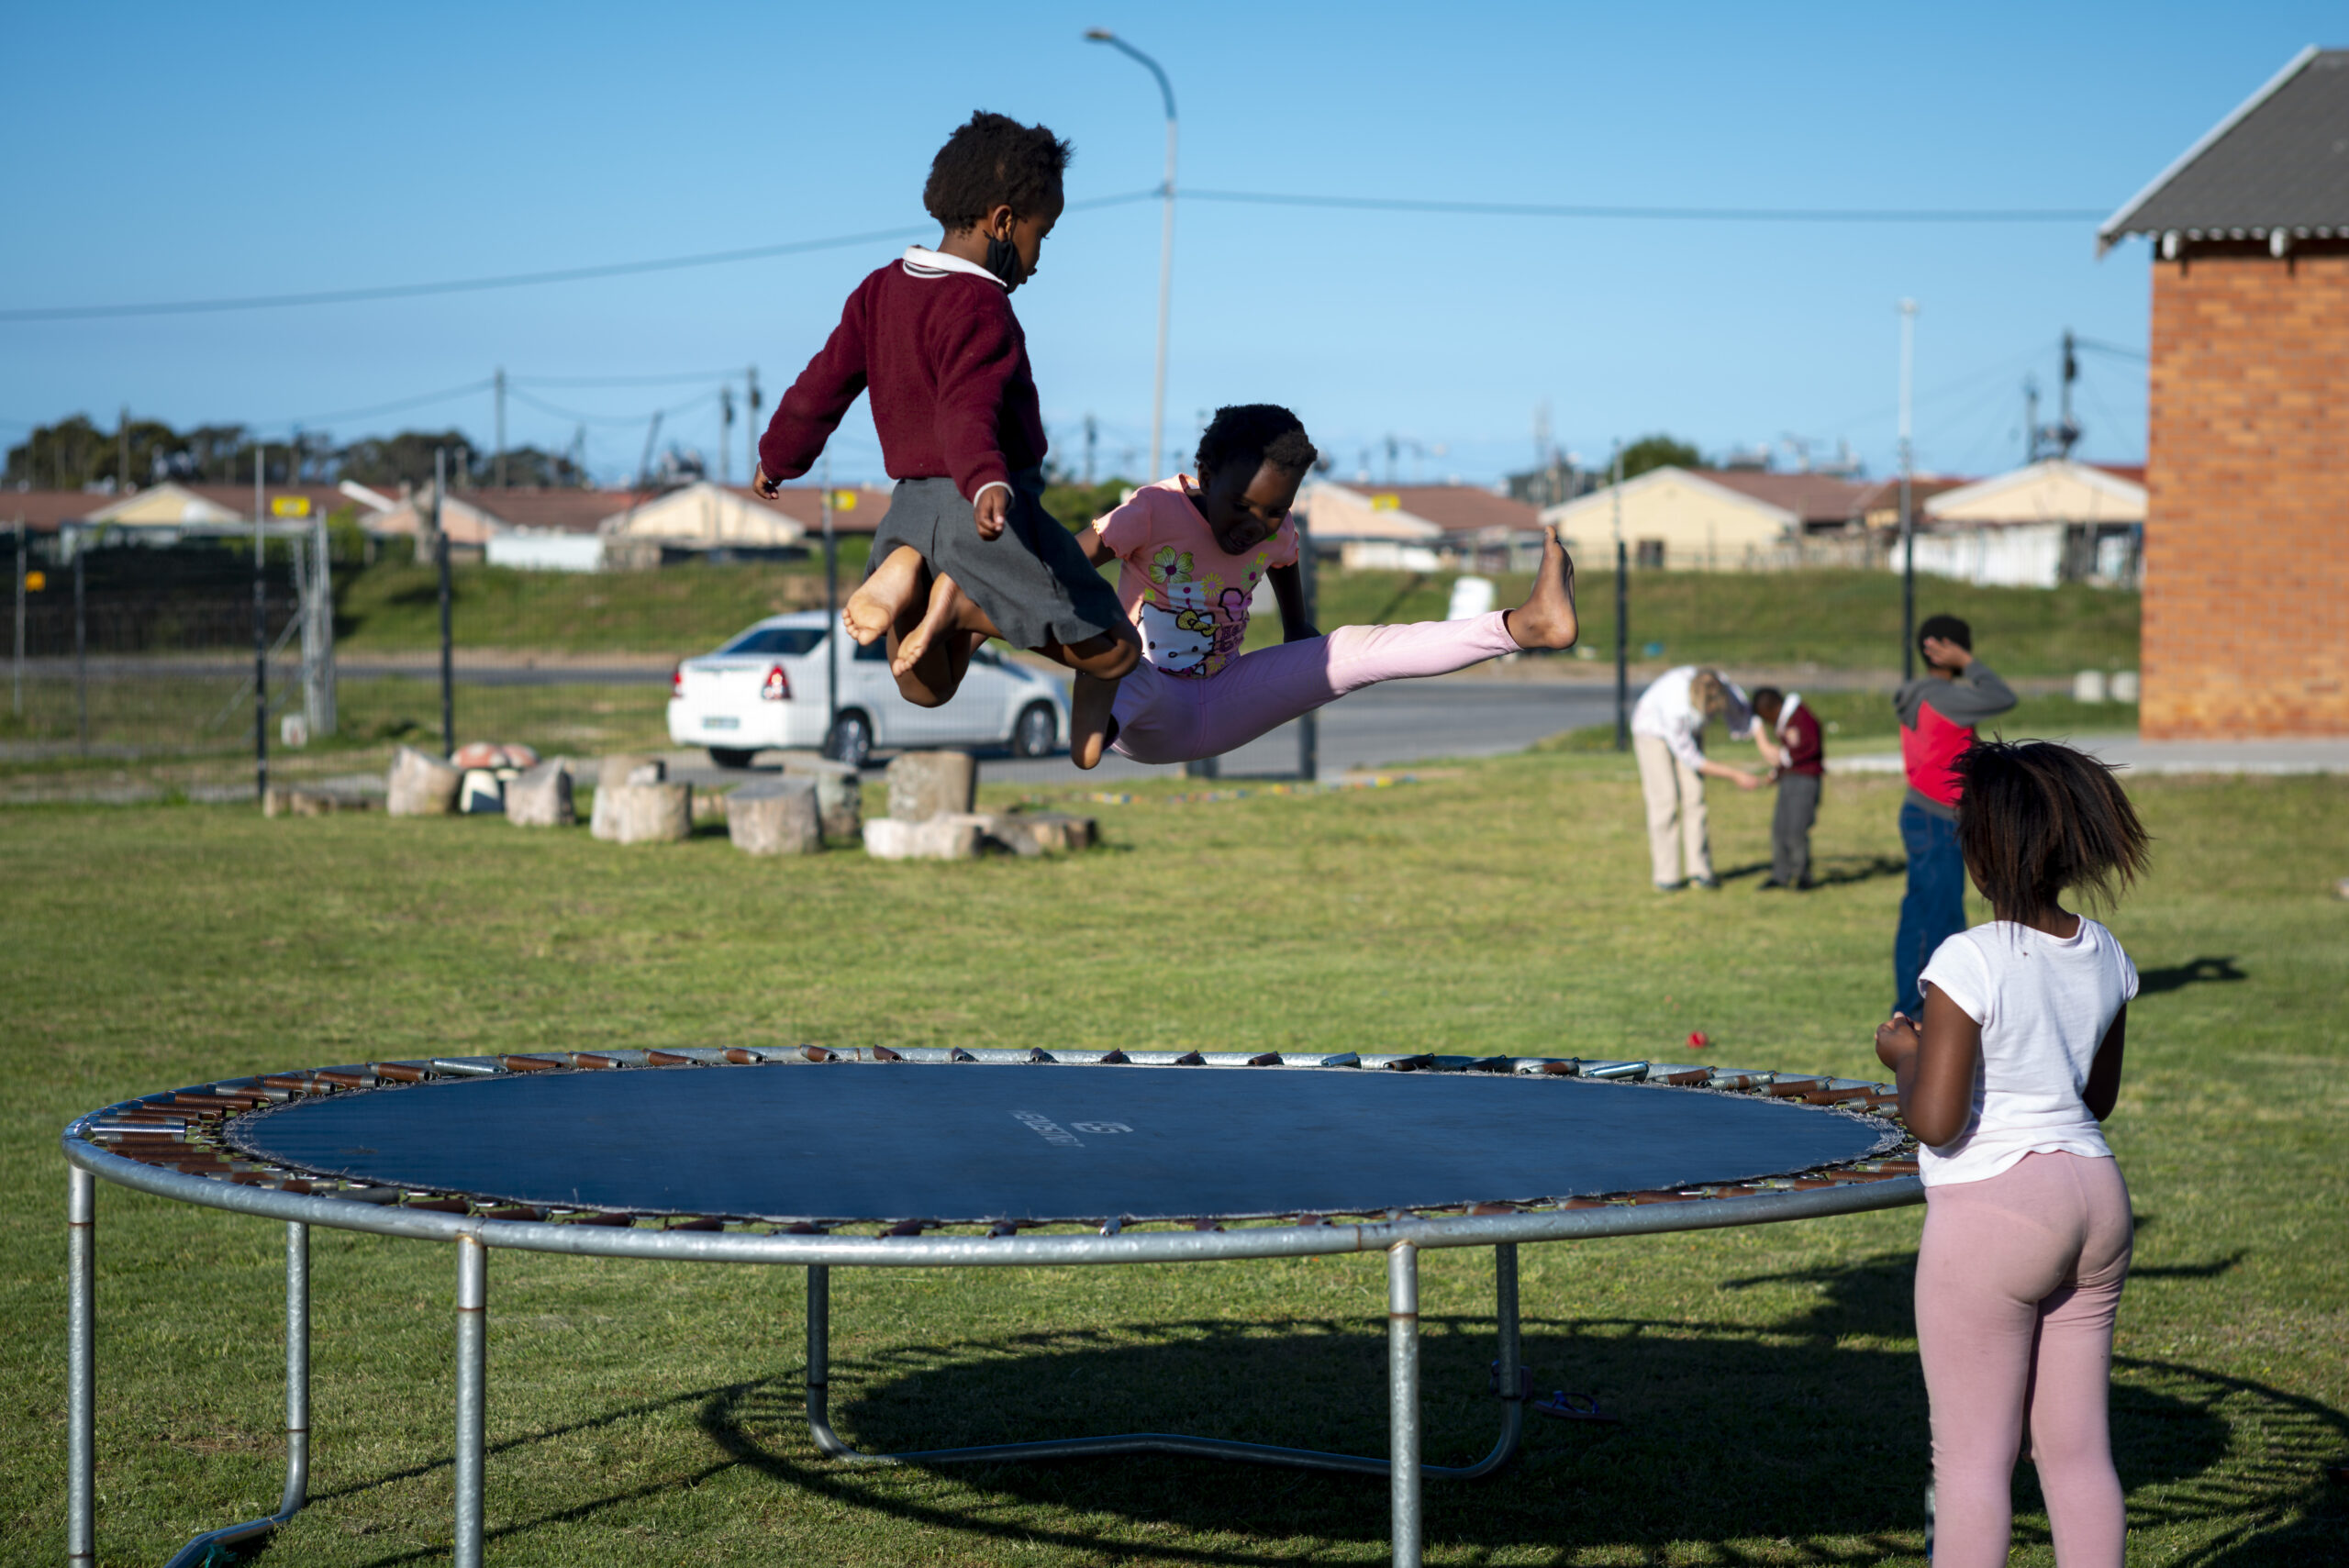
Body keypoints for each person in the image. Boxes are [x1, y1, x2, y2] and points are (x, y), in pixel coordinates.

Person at [753, 111, 1140, 768]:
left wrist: (777, 456)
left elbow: (823, 382)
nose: (1038, 260)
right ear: (1003, 221)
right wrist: (986, 478)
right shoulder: (982, 307)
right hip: (988, 507)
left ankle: (913, 575)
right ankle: (963, 605)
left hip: (909, 512)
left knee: (926, 688)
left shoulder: (879, 289)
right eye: (1042, 235)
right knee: (1118, 651)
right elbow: (968, 408)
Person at [1873, 740, 2150, 1568]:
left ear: (1983, 851)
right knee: (2076, 1452)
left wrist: (1904, 1054)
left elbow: (1937, 1120)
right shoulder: (2106, 951)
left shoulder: (1969, 959)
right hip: (2097, 1197)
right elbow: (2096, 1098)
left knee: (1971, 1462)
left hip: (1995, 1210)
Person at [1081, 405, 1581, 765]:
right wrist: (1043, 621)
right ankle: (1095, 729)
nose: (1254, 526)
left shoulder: (1277, 529)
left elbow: (1284, 559)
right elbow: (1067, 560)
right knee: (1125, 666)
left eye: (1274, 510)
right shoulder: (1153, 510)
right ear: (1207, 478)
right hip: (1149, 709)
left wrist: (1297, 626)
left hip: (1226, 697)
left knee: (1353, 650)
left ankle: (1526, 626)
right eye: (1242, 506)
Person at [1893, 614, 2018, 1015]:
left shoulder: (1919, 693)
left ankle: (1910, 1006)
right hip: (1937, 817)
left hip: (1919, 810)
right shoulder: (1944, 697)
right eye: (1963, 646)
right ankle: (1935, 1010)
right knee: (1942, 916)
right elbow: (2002, 696)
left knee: (1919, 913)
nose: (1968, 653)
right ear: (1942, 649)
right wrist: (1967, 663)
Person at [1628, 666, 1765, 891]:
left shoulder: (1723, 687)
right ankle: (1666, 877)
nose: (1712, 715)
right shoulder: (1676, 708)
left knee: (1695, 797)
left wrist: (1763, 743)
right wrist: (1735, 774)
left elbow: (1745, 714)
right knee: (1665, 801)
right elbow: (1693, 760)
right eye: (1709, 711)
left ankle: (1700, 872)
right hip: (1652, 731)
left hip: (1690, 731)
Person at [1750, 685, 1824, 889]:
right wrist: (1777, 773)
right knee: (1780, 829)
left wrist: (1785, 759)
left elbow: (1807, 747)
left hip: (1805, 780)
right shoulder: (1788, 719)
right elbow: (1790, 753)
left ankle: (1802, 875)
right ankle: (1780, 875)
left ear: (1771, 708)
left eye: (1765, 717)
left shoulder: (1800, 717)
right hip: (1789, 779)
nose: (1767, 722)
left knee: (1796, 830)